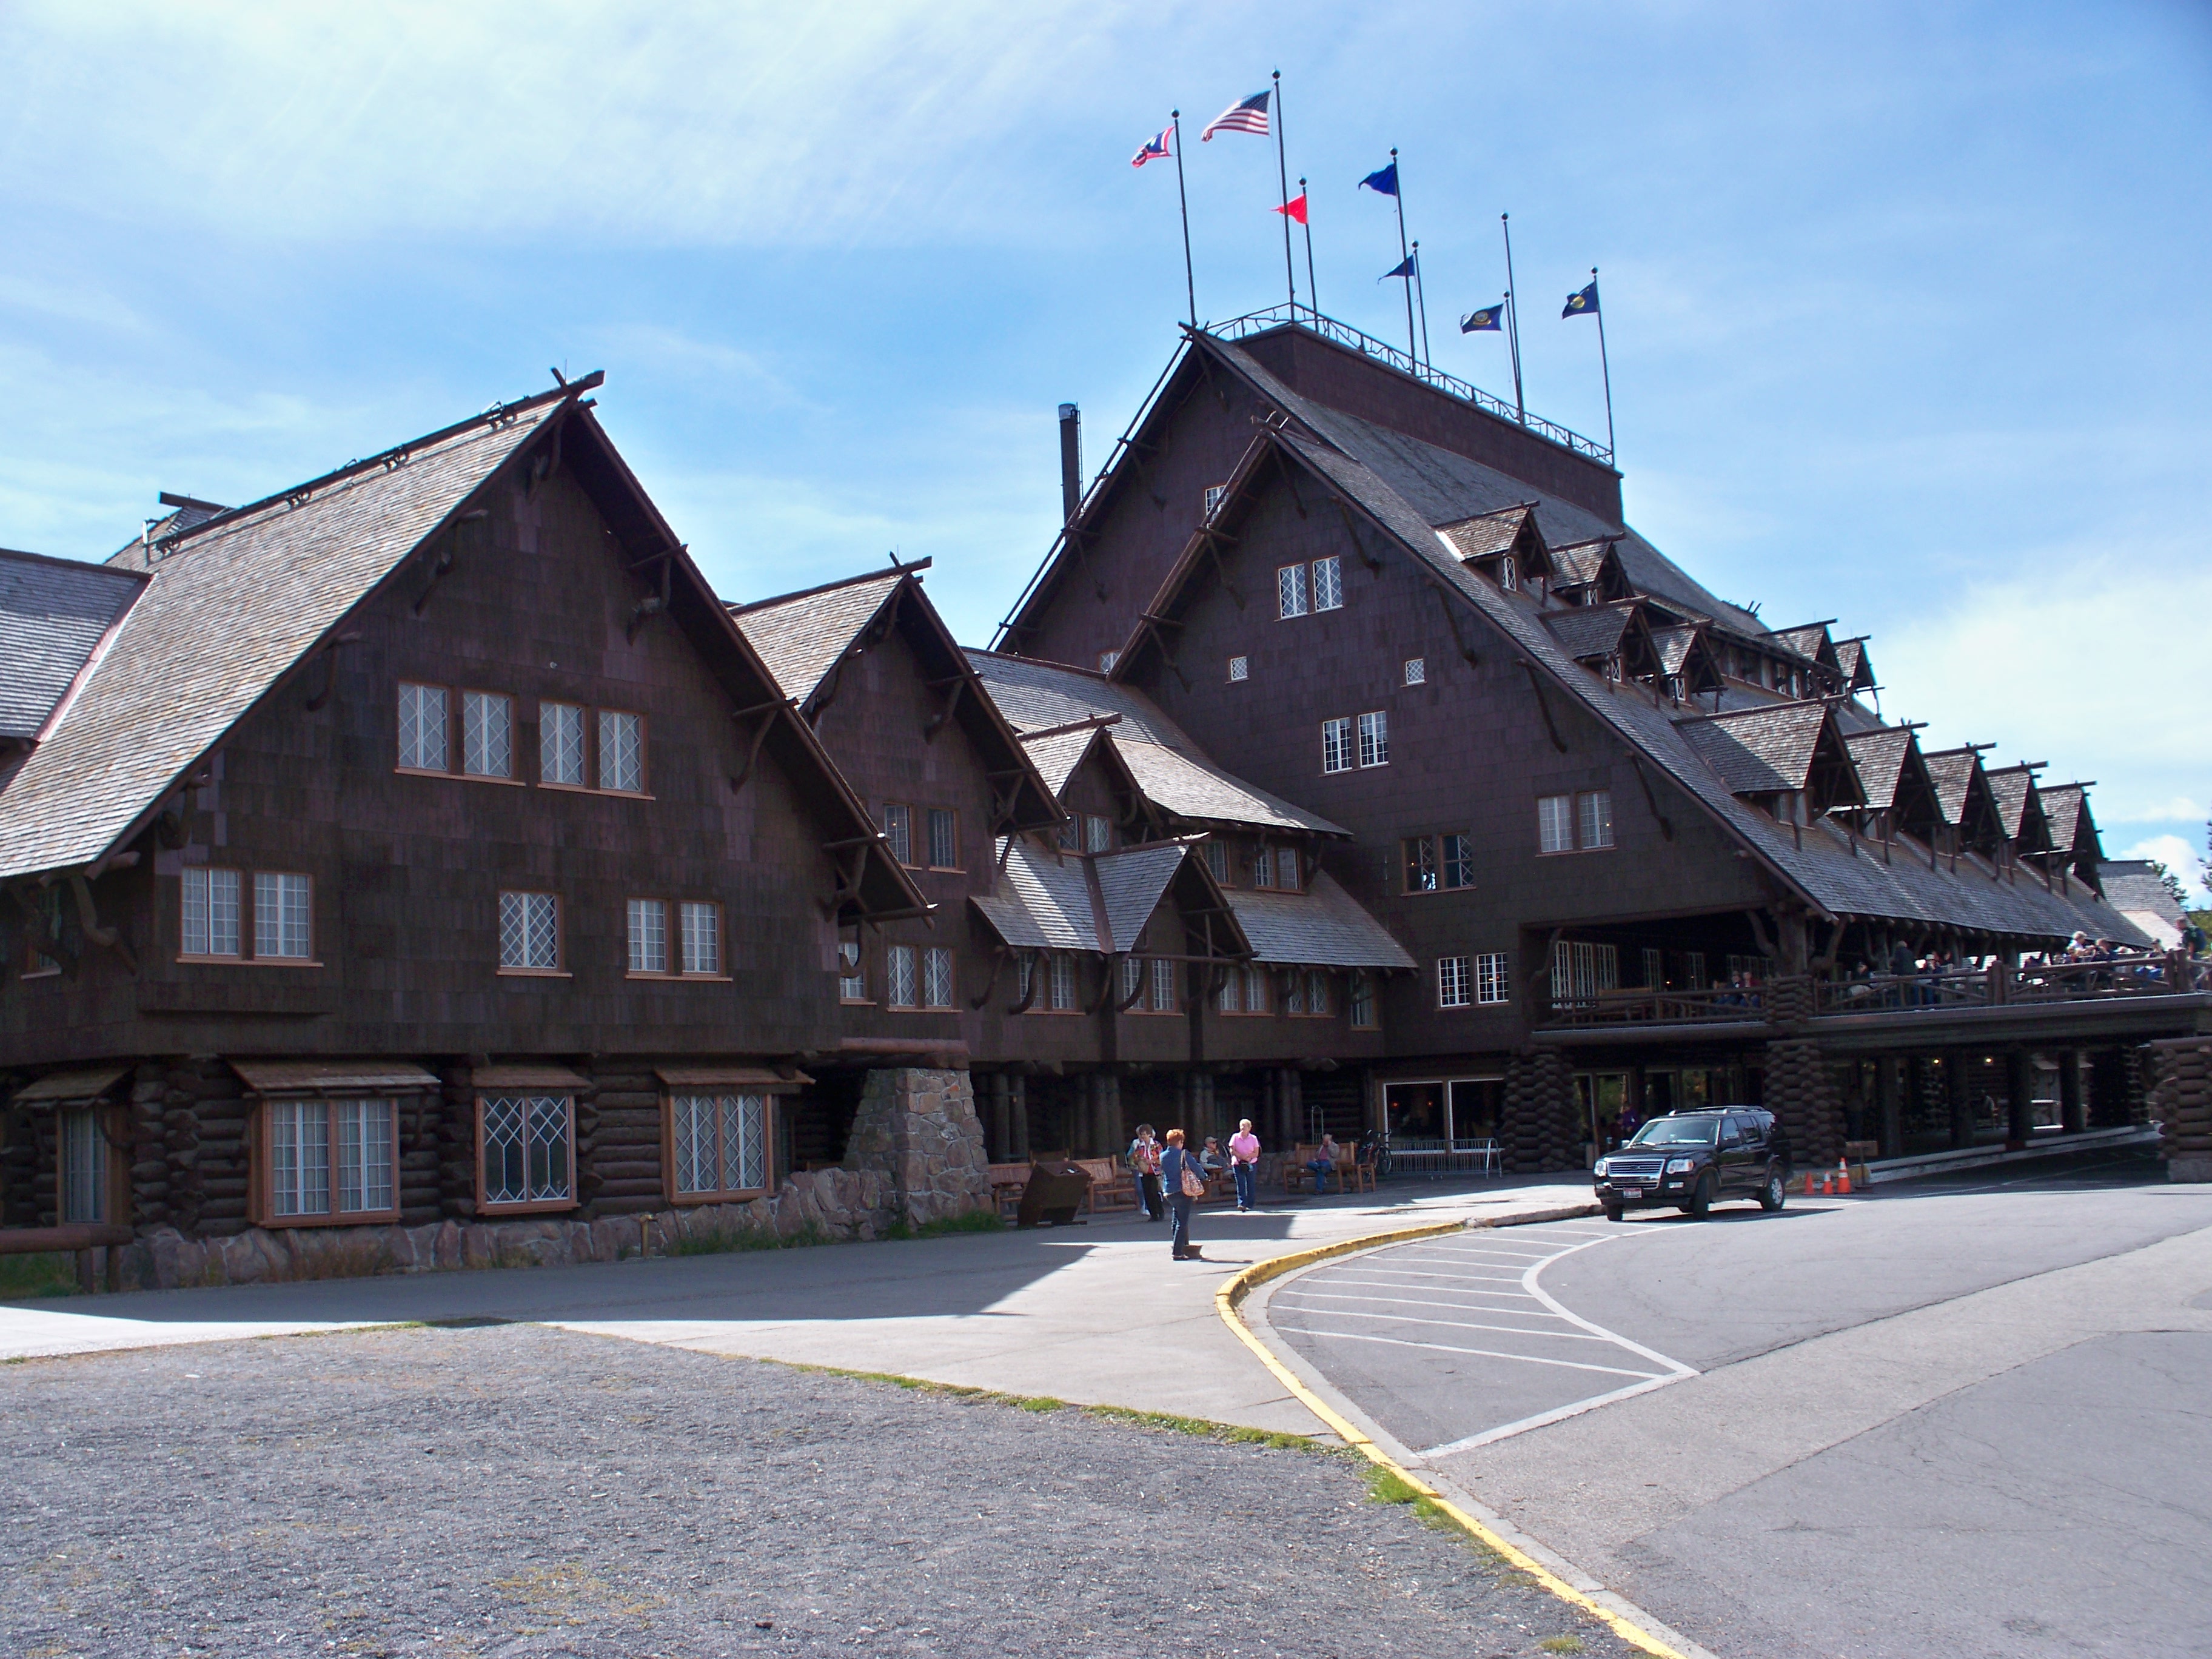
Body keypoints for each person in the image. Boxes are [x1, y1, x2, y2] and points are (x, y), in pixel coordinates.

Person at [1160, 1128, 1204, 1261]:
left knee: (1176, 1218)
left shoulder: (1163, 1156)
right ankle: (1178, 1251)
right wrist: (1204, 1177)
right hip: (1183, 1190)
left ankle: (1179, 1247)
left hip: (1169, 1191)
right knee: (1182, 1222)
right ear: (1180, 1141)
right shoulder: (1183, 1155)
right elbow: (1196, 1168)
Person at [1127, 1124, 1163, 1222]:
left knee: (1154, 1192)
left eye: (1144, 1134)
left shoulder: (1156, 1145)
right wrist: (1140, 1159)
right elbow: (1134, 1158)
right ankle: (1153, 1215)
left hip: (1154, 1171)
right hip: (1144, 1172)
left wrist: (1153, 1161)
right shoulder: (1140, 1147)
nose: (1143, 1137)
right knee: (1147, 1193)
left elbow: (1161, 1157)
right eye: (1141, 1135)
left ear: (1150, 1135)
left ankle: (1160, 1212)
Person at [1228, 1118, 1261, 1213]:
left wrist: (1248, 1157)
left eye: (1245, 1126)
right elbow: (1232, 1150)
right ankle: (1242, 1204)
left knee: (1251, 1183)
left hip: (1251, 1163)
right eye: (1241, 1126)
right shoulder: (1235, 1137)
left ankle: (1250, 1204)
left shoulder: (1254, 1138)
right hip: (1238, 1163)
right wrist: (1241, 1156)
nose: (1242, 1128)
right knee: (1241, 1183)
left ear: (1250, 1128)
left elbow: (1256, 1153)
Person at [1305, 1133, 1340, 1198]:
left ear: (1329, 1141)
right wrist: (1315, 1159)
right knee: (1309, 1163)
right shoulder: (1322, 1147)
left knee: (1321, 1171)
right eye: (1323, 1141)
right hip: (1319, 1162)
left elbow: (1335, 1155)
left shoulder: (1335, 1146)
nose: (1323, 1142)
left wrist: (1329, 1146)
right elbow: (1317, 1155)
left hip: (1328, 1163)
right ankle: (1320, 1168)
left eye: (1325, 1141)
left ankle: (1319, 1190)